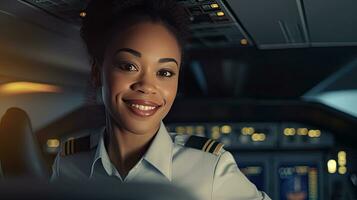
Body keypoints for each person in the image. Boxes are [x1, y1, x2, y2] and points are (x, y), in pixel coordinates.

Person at [51, 0, 271, 199]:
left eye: (164, 72)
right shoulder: (69, 164)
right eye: (129, 66)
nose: (147, 86)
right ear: (97, 72)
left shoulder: (210, 168)